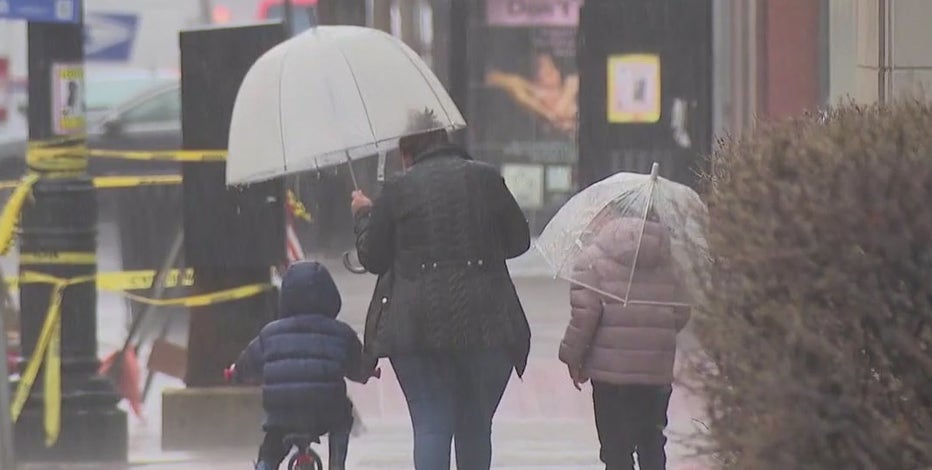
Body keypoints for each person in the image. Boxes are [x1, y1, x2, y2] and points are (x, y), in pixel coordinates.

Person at [350, 110, 532, 470]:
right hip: (489, 323)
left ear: (407, 153)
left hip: (417, 328)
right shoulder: (486, 178)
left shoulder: (398, 189)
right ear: (445, 142)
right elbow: (519, 240)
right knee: (476, 426)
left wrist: (363, 216)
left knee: (431, 425)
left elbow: (373, 258)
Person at [558, 216, 691, 470]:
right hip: (656, 372)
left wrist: (573, 358)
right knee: (652, 445)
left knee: (616, 450)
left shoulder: (592, 261)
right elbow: (682, 312)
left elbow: (585, 317)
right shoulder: (671, 263)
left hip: (610, 377)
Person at [229, 261, 378, 470]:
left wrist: (236, 373)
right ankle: (337, 463)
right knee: (342, 418)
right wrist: (367, 373)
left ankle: (265, 465)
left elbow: (248, 363)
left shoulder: (269, 333)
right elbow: (356, 365)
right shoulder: (341, 333)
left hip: (282, 407)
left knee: (273, 441)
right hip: (325, 407)